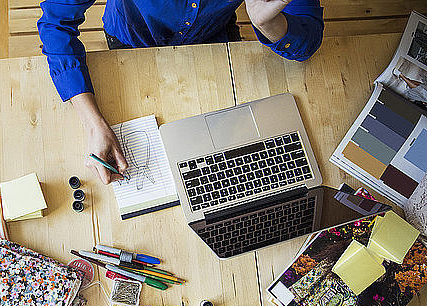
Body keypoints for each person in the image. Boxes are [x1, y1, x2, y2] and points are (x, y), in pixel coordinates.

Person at [38, 0, 324, 184]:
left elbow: (306, 44)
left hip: (211, 43)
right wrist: (93, 124)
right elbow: (55, 24)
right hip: (128, 43)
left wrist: (267, 22)